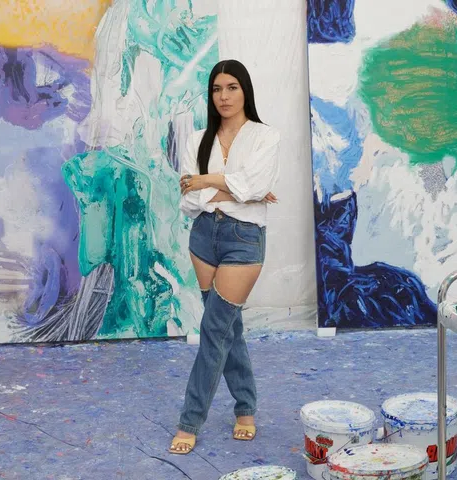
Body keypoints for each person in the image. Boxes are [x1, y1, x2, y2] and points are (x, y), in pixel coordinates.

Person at [169, 59, 281, 454]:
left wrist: (207, 181)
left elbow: (256, 185)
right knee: (228, 329)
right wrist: (234, 188)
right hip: (203, 236)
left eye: (232, 87)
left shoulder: (266, 136)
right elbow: (189, 200)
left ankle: (189, 421)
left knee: (214, 330)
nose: (224, 96)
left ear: (245, 90)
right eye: (217, 89)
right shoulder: (197, 139)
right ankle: (245, 409)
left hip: (243, 238)